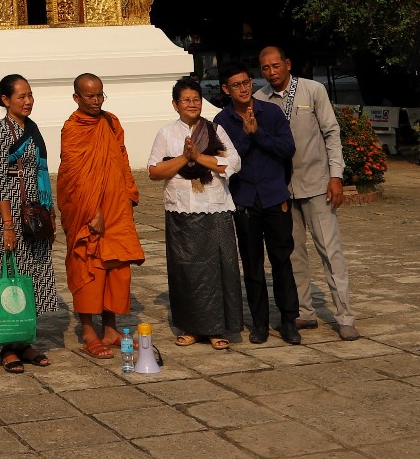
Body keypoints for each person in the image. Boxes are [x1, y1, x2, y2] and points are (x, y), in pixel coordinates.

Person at [256, 46, 359, 340]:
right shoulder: (260, 99)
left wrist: (336, 176)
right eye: (265, 68)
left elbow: (331, 132)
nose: (272, 72)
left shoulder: (312, 90)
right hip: (282, 190)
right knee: (293, 254)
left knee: (330, 251)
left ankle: (345, 315)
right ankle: (304, 311)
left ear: (287, 64)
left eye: (276, 66)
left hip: (317, 184)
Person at [147, 77, 243, 349]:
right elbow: (155, 171)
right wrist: (184, 158)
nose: (192, 104)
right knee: (186, 270)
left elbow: (232, 163)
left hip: (215, 209)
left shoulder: (215, 130)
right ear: (175, 104)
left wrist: (199, 157)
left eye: (196, 99)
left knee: (218, 268)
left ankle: (217, 329)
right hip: (182, 212)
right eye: (186, 100)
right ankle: (191, 327)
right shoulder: (166, 133)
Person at [58, 73, 143, 358]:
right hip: (88, 211)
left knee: (117, 269)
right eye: (90, 97)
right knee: (89, 266)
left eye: (100, 95)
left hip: (116, 207)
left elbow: (121, 156)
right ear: (77, 98)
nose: (96, 101)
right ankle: (89, 332)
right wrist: (93, 212)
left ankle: (110, 328)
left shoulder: (111, 121)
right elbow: (74, 177)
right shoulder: (72, 128)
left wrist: (129, 191)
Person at [215, 68, 300, 344]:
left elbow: (288, 149)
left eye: (247, 82)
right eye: (236, 84)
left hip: (275, 196)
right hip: (245, 201)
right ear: (226, 90)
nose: (243, 88)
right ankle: (260, 324)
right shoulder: (222, 121)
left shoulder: (271, 113)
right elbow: (226, 159)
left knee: (282, 261)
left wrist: (258, 133)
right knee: (252, 266)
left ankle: (289, 321)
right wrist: (247, 135)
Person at [0, 73, 61, 372]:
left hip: (35, 209)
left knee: (32, 272)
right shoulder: (1, 132)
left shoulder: (33, 128)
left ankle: (25, 340)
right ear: (5, 100)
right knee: (9, 270)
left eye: (30, 95)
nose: (28, 101)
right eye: (21, 97)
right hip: (10, 211)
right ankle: (7, 346)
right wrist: (7, 224)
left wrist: (50, 213)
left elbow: (42, 170)